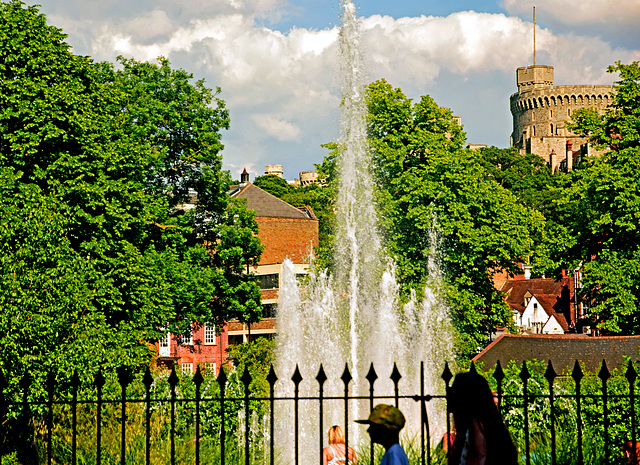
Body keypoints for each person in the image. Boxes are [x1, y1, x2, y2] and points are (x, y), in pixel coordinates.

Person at [448, 371, 518, 465]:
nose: (450, 398)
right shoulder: (491, 428)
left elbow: (477, 458)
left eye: (455, 392)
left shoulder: (476, 428)